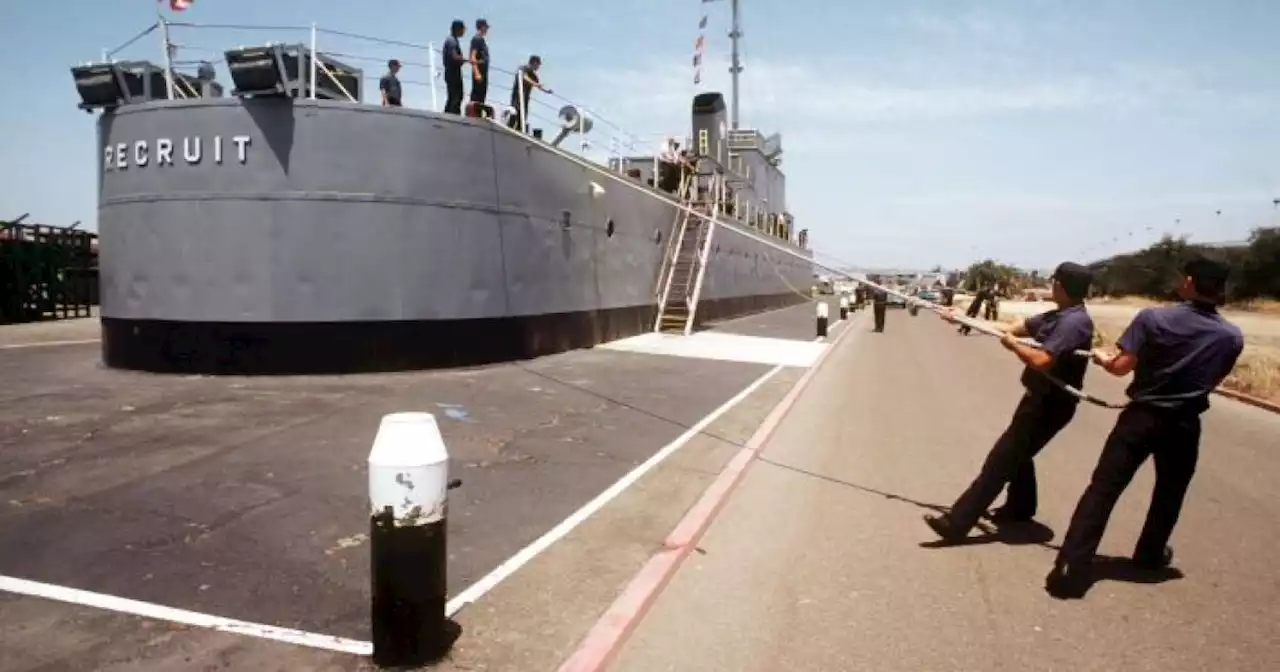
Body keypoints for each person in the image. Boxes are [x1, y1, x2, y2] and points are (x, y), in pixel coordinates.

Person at [1045, 256, 1244, 599]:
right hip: (1184, 422)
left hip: (1141, 417)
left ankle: (1071, 566)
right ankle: (1149, 554)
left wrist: (1107, 360)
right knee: (1169, 492)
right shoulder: (1231, 337)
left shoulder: (1153, 318)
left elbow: (1121, 368)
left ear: (1189, 283)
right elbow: (1212, 380)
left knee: (1103, 489)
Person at [924, 262, 1095, 542]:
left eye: (1054, 282)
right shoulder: (1058, 316)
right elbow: (1011, 327)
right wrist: (963, 318)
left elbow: (1042, 360)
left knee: (1000, 460)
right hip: (1037, 398)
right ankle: (1020, 507)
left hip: (1051, 406)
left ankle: (956, 523)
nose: (1051, 286)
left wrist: (1014, 346)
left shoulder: (1074, 323)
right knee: (1018, 454)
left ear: (1060, 286)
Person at [508, 55, 551, 133]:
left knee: (523, 118)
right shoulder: (523, 68)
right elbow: (524, 77)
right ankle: (508, 131)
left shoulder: (534, 76)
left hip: (525, 99)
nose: (538, 67)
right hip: (517, 97)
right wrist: (535, 84)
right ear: (533, 62)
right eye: (538, 64)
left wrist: (547, 91)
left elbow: (539, 85)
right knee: (514, 114)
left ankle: (519, 132)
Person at [442, 20, 467, 114]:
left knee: (452, 97)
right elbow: (454, 57)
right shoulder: (452, 41)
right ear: (458, 29)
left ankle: (447, 115)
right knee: (456, 97)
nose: (464, 31)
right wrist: (463, 59)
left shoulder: (451, 40)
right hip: (453, 74)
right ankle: (453, 117)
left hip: (451, 73)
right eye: (463, 29)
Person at [468, 19, 490, 107]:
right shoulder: (477, 39)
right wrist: (477, 73)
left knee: (481, 96)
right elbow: (472, 56)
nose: (487, 29)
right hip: (479, 72)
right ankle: (473, 115)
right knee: (477, 96)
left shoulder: (481, 40)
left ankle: (477, 114)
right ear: (482, 27)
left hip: (483, 72)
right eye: (486, 27)